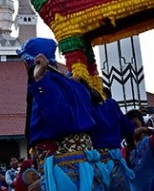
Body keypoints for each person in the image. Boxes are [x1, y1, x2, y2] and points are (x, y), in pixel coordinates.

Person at [16, 37, 101, 191]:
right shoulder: (74, 85)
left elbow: (60, 119)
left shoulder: (45, 85)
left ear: (30, 63)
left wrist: (40, 82)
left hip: (63, 169)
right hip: (83, 166)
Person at [86, 87, 136, 191]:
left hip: (94, 165)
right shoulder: (110, 104)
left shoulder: (83, 106)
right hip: (115, 163)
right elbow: (128, 129)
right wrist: (115, 135)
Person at [123, 109, 154, 191]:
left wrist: (145, 129)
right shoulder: (126, 150)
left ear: (142, 124)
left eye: (136, 125)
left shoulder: (150, 141)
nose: (133, 129)